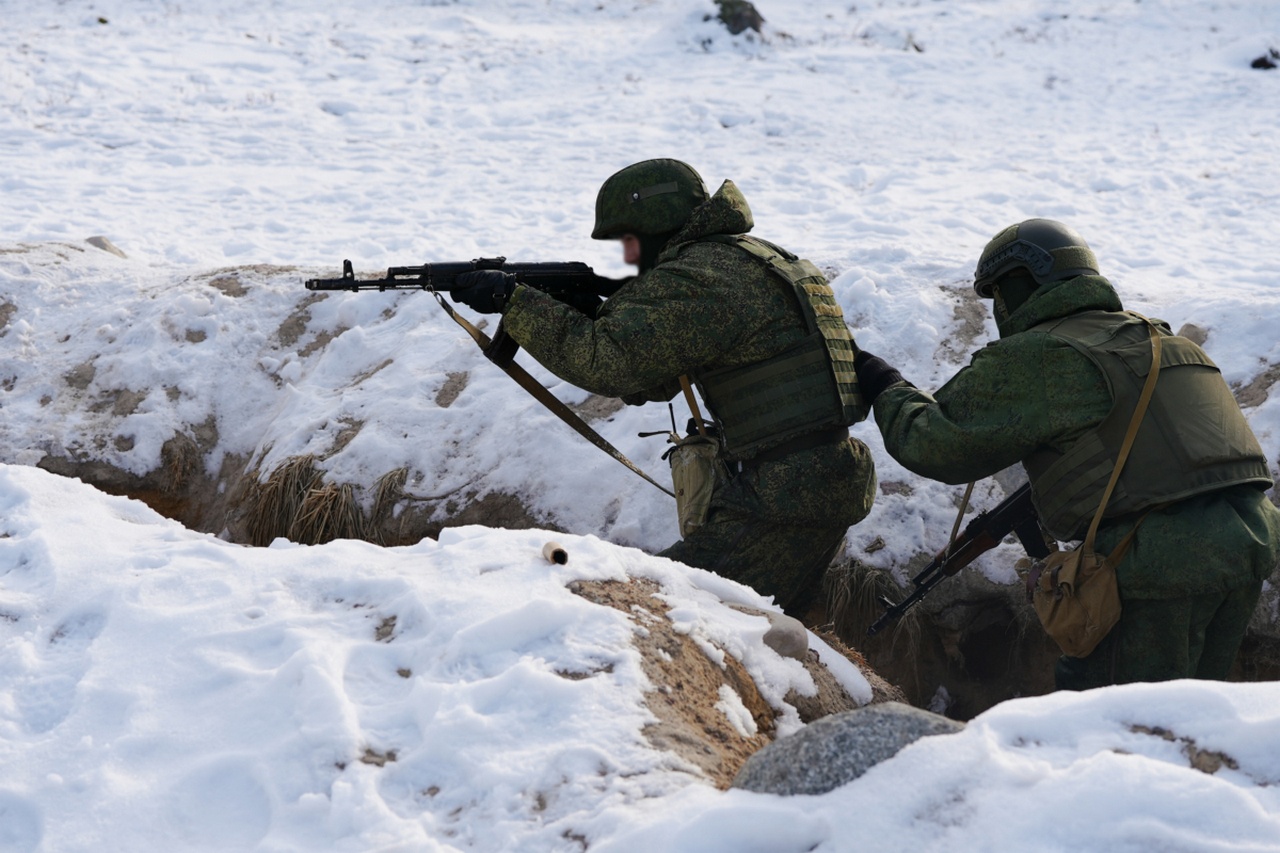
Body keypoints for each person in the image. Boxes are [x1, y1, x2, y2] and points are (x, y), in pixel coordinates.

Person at [854, 218, 1280, 690]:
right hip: (1251, 544)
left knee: (1115, 713)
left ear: (1020, 282)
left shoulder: (1043, 353)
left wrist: (886, 386)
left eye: (997, 293)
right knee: (1193, 713)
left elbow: (936, 445)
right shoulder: (1162, 340)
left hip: (1159, 563)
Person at [451, 158, 877, 617]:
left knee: (656, 612)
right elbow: (653, 379)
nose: (630, 258)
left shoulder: (700, 277)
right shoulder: (748, 259)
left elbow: (611, 367)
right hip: (809, 484)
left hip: (781, 497)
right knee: (756, 628)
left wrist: (514, 303)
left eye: (630, 241)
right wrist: (591, 314)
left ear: (658, 222)